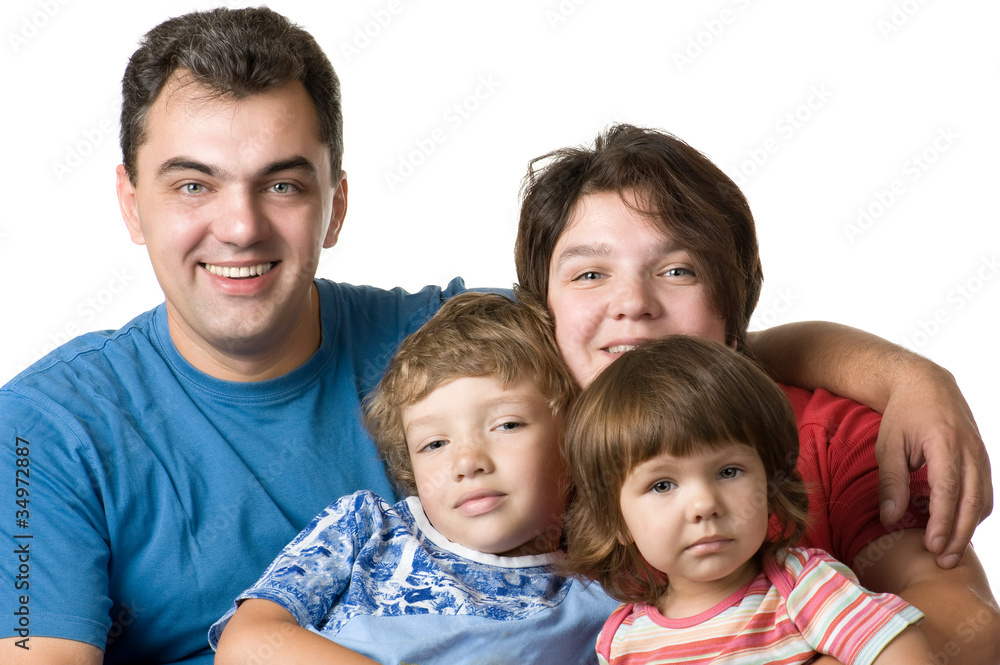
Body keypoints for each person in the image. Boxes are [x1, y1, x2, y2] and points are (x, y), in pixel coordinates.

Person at [0, 7, 989, 663]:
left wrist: (904, 371)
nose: (242, 225)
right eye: (192, 183)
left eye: (284, 182)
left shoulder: (451, 344)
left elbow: (657, 356)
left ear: (335, 203)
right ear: (130, 203)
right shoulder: (46, 429)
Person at [514, 122, 999, 662]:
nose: (633, 302)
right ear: (542, 307)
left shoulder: (829, 435)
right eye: (588, 275)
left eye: (678, 270)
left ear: (733, 301)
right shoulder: (503, 443)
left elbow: (971, 621)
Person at [209, 291, 617, 663]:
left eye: (507, 425)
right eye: (434, 444)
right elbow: (245, 643)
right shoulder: (366, 528)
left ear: (576, 434)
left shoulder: (600, 595)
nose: (466, 462)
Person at [562, 335, 932, 664]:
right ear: (616, 520)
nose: (705, 504)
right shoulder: (621, 640)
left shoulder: (804, 586)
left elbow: (906, 655)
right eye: (662, 485)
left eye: (728, 472)